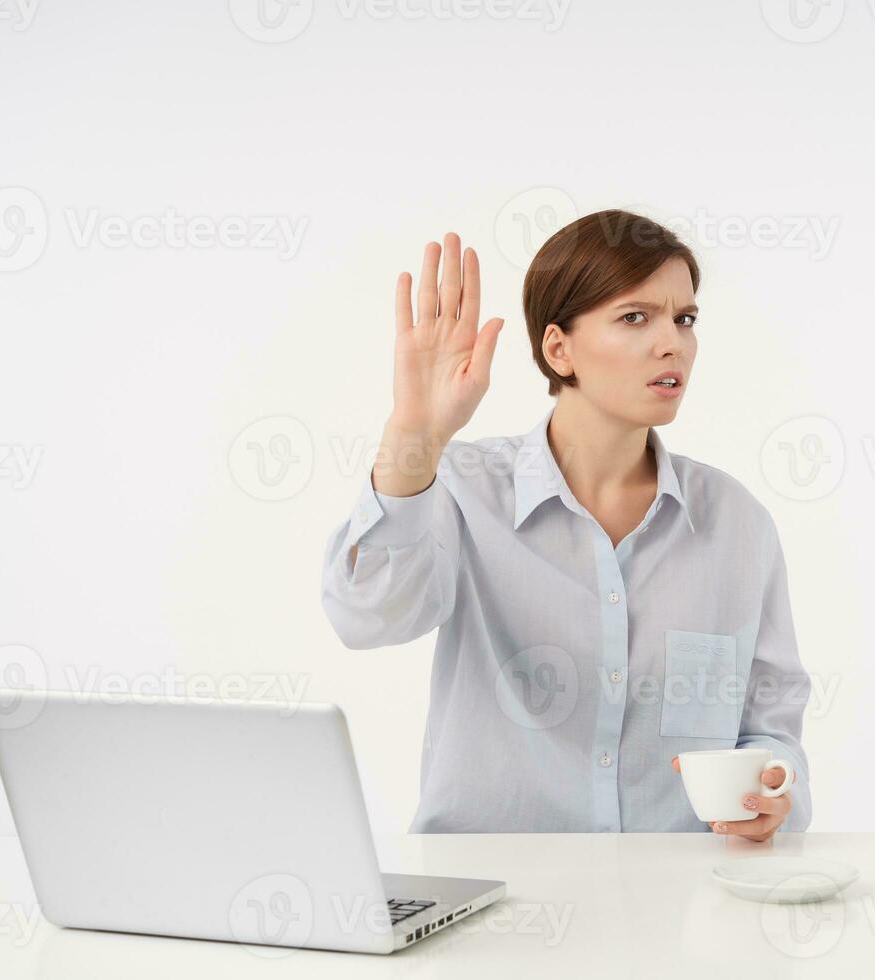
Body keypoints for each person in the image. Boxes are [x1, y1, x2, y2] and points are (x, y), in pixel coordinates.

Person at [320, 210, 812, 841]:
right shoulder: (462, 489)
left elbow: (770, 729)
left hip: (677, 907)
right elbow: (366, 617)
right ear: (559, 349)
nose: (673, 344)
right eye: (635, 317)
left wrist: (776, 795)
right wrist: (413, 437)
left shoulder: (737, 523)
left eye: (684, 319)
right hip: (490, 905)